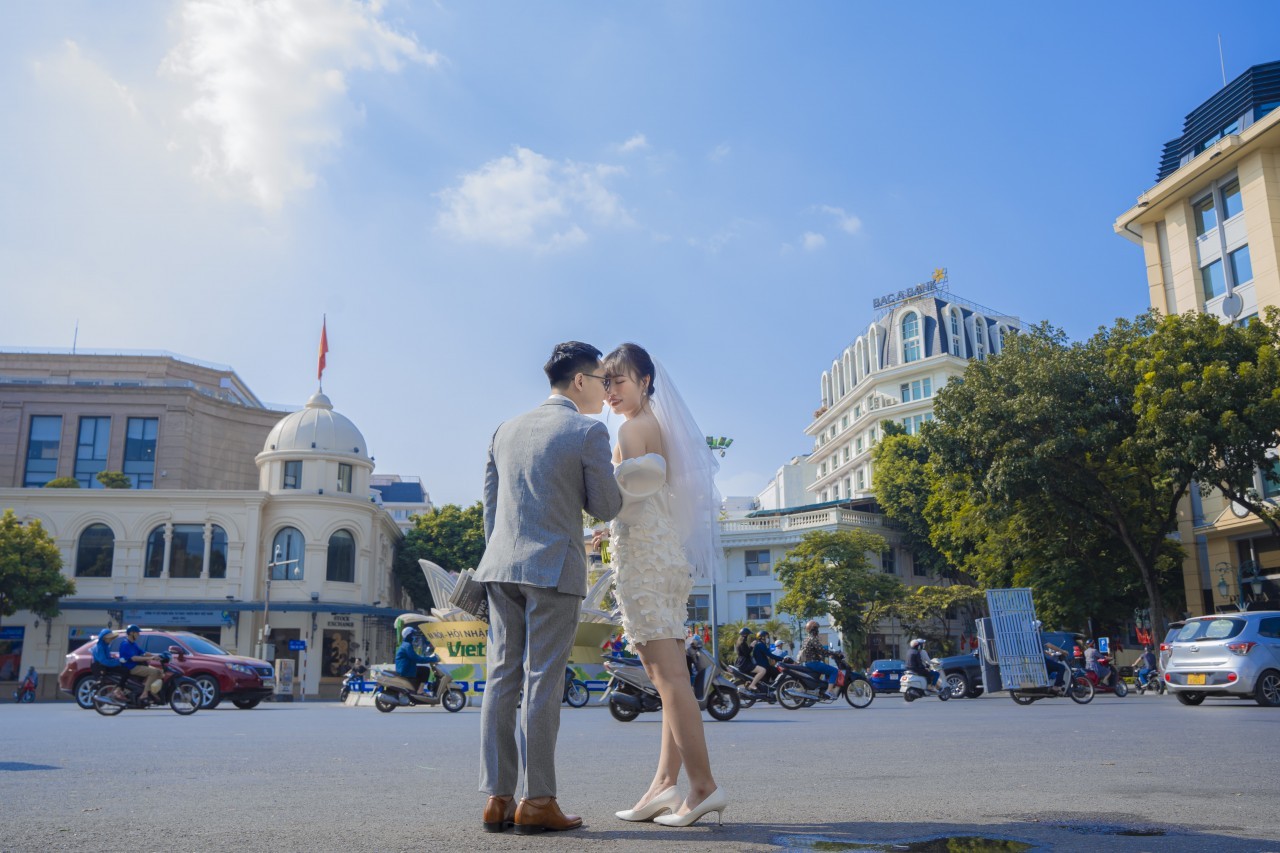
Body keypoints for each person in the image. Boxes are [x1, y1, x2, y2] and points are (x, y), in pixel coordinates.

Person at [474, 341, 623, 835]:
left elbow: (491, 514)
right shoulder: (587, 431)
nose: (606, 390)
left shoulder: (504, 430)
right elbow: (606, 506)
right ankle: (538, 800)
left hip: (499, 566)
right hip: (554, 568)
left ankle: (497, 798)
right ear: (580, 381)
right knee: (543, 679)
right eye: (602, 380)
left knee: (501, 676)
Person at [601, 343, 727, 828]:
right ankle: (662, 785)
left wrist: (598, 505)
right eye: (607, 382)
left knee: (667, 676)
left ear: (646, 381)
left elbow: (628, 500)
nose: (611, 391)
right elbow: (654, 494)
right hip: (667, 555)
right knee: (669, 674)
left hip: (645, 558)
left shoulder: (633, 428)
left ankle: (702, 786)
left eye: (621, 381)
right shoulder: (658, 426)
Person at [118, 625, 163, 701]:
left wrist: (157, 656)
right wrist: (151, 658)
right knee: (154, 672)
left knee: (160, 672)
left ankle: (150, 689)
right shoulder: (125, 644)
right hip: (131, 667)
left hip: (137, 665)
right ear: (131, 633)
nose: (139, 634)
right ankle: (145, 693)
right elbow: (134, 658)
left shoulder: (133, 644)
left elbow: (143, 653)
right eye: (137, 632)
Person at [798, 620, 839, 701]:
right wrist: (835, 653)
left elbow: (817, 651)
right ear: (814, 629)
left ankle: (824, 688)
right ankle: (829, 691)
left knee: (828, 670)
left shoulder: (806, 639)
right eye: (817, 629)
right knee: (834, 671)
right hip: (813, 663)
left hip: (808, 663)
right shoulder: (813, 639)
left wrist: (828, 654)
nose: (818, 631)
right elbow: (822, 650)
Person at [395, 627, 439, 694]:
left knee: (421, 670)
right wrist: (433, 659)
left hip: (407, 668)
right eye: (413, 635)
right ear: (409, 635)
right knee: (425, 670)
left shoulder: (406, 645)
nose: (414, 637)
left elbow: (415, 657)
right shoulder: (407, 646)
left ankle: (416, 690)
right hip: (406, 670)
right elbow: (416, 658)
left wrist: (427, 658)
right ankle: (420, 691)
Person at [91, 629, 132, 701]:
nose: (111, 639)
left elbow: (108, 658)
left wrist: (116, 659)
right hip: (103, 667)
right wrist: (118, 661)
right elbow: (104, 661)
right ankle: (118, 690)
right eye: (110, 638)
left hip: (105, 665)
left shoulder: (105, 645)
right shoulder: (100, 647)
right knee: (126, 671)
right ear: (104, 638)